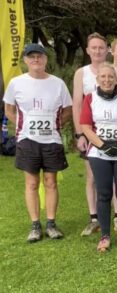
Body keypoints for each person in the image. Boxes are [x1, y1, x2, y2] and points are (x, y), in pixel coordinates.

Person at [3, 43, 72, 242]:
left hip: (51, 140)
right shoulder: (16, 83)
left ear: (45, 59)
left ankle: (51, 223)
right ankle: (35, 225)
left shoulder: (58, 83)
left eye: (39, 56)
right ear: (25, 60)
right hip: (27, 140)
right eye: (31, 57)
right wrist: (22, 126)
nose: (36, 60)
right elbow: (9, 109)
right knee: (32, 183)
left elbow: (68, 109)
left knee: (51, 182)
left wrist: (56, 125)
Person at [80, 63, 117, 252]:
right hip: (99, 152)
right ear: (97, 79)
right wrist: (103, 145)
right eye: (103, 77)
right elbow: (86, 126)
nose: (107, 80)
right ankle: (105, 235)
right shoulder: (90, 98)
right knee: (104, 194)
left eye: (110, 77)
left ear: (115, 79)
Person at [72, 32, 117, 237]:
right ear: (87, 50)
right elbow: (77, 103)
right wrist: (80, 134)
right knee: (92, 176)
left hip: (114, 132)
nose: (97, 51)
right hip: (90, 132)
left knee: (113, 176)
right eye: (93, 47)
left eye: (101, 48)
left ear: (107, 50)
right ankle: (94, 218)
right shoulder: (81, 73)